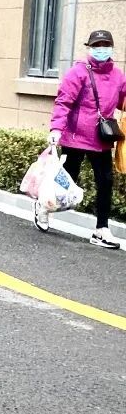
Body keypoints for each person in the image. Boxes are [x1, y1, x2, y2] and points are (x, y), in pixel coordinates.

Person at [39, 29, 126, 249]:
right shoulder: (78, 72)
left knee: (105, 182)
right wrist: (56, 128)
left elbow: (122, 101)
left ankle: (101, 229)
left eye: (105, 45)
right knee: (65, 183)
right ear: (89, 48)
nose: (101, 49)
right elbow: (63, 102)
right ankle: (44, 207)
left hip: (101, 138)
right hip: (75, 138)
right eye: (97, 46)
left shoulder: (118, 76)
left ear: (111, 48)